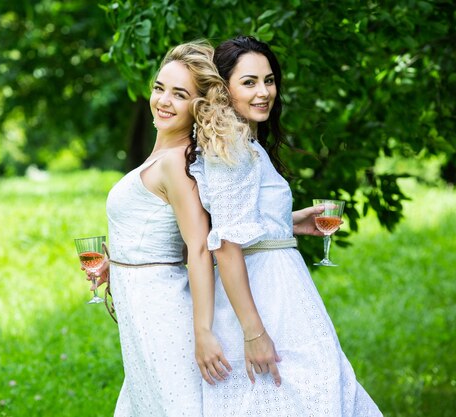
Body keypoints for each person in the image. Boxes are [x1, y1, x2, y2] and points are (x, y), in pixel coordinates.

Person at [189, 36, 383, 416]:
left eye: (269, 80)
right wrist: (254, 332)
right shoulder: (232, 146)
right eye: (249, 82)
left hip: (279, 283)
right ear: (224, 88)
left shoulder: (246, 142)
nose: (264, 92)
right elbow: (227, 245)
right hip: (265, 292)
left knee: (316, 389)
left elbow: (243, 222)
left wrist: (289, 224)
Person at [86, 40, 242, 416]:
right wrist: (116, 266)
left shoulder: (176, 162)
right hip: (139, 306)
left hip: (162, 311)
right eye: (159, 88)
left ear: (199, 106)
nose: (163, 101)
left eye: (179, 94)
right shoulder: (161, 157)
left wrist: (203, 332)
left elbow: (200, 246)